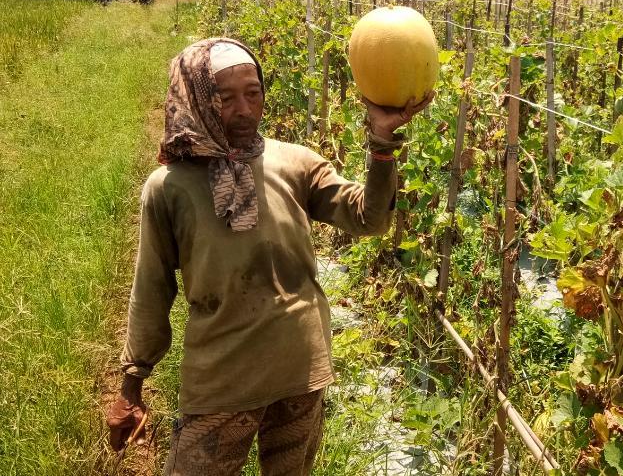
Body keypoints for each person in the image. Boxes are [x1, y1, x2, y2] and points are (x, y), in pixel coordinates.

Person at [105, 38, 432, 474]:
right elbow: (151, 289)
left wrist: (382, 144)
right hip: (223, 379)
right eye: (225, 99)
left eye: (253, 92)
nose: (244, 109)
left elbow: (368, 218)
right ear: (195, 100)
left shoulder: (294, 163)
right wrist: (132, 383)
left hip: (300, 369)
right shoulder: (169, 187)